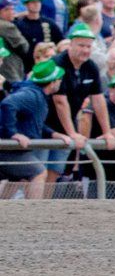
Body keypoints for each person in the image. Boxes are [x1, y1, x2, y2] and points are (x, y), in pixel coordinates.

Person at [47, 24, 115, 188]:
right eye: (81, 45)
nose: (85, 50)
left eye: (88, 46)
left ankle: (41, 207)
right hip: (45, 123)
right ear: (70, 44)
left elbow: (98, 100)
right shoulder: (58, 63)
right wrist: (73, 133)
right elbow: (59, 102)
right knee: (36, 173)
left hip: (65, 125)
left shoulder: (90, 66)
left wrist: (107, 132)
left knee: (54, 172)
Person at [0, 61, 74, 199]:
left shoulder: (37, 94)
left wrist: (54, 134)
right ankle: (34, 214)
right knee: (39, 172)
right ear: (52, 82)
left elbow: (35, 123)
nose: (60, 83)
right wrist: (13, 133)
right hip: (8, 149)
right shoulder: (32, 95)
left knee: (17, 179)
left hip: (14, 149)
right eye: (59, 80)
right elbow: (7, 104)